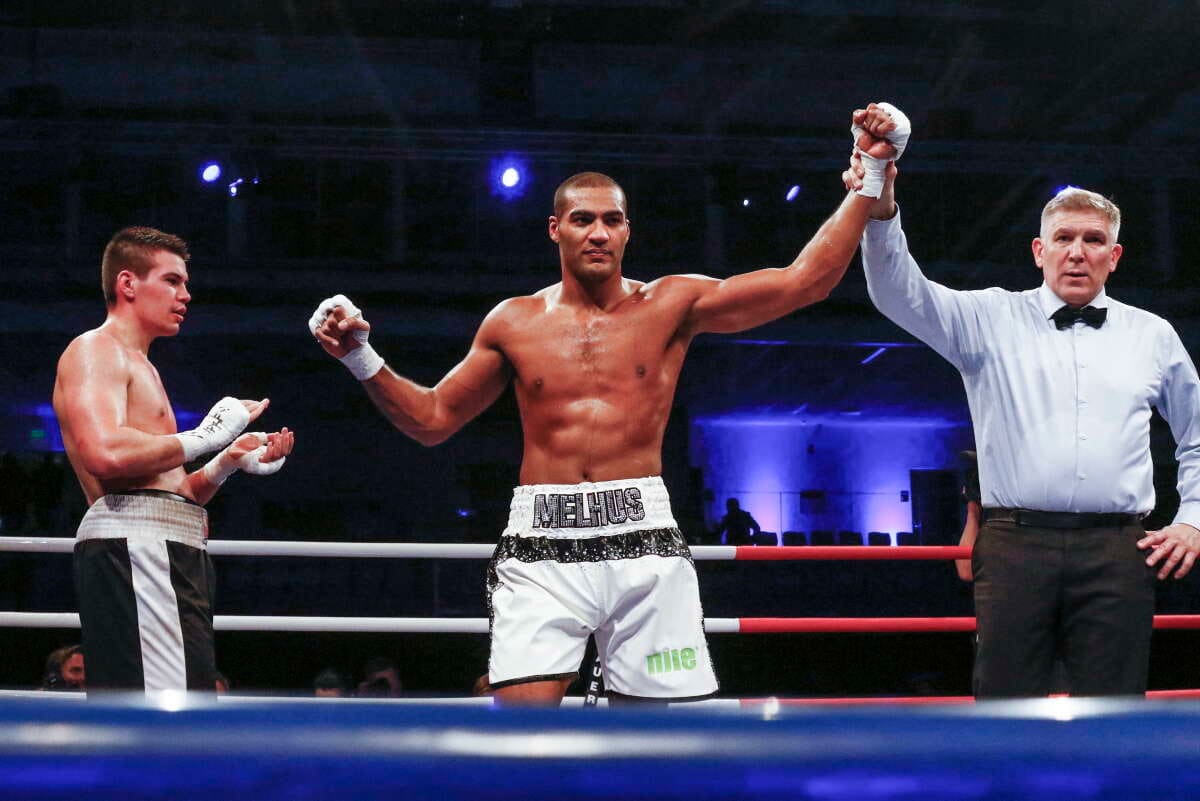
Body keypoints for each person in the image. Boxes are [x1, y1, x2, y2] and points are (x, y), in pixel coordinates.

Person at [311, 102, 911, 706]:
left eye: (612, 220)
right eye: (583, 219)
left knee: (654, 742)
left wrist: (870, 175)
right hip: (541, 542)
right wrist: (360, 357)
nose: (598, 233)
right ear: (555, 229)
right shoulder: (513, 322)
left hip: (643, 536)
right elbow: (433, 420)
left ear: (627, 231)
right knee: (521, 735)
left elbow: (805, 281)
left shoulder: (672, 304)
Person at [845, 153, 1200, 698]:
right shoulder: (989, 318)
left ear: (1114, 256)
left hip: (1118, 550)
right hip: (1015, 545)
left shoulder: (1152, 334)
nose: (1077, 252)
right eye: (1063, 238)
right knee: (1004, 704)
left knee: (1115, 709)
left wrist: (1193, 520)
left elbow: (1196, 433)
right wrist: (881, 206)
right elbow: (898, 292)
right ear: (1039, 251)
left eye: (1093, 240)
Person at [53, 226, 295, 692]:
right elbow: (104, 453)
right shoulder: (95, 350)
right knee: (166, 705)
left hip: (161, 547)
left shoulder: (141, 364)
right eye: (171, 280)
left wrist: (226, 461)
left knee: (181, 693)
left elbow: (173, 490)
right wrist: (205, 436)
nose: (185, 295)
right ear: (128, 283)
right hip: (139, 550)